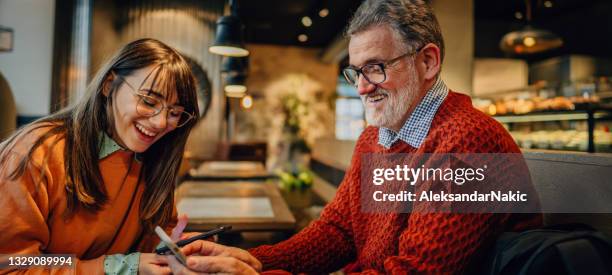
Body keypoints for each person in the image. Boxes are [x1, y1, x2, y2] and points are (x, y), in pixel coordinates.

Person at [165, 0, 543, 274]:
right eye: (356, 72)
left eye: (376, 68)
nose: (362, 88)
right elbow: (337, 231)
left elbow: (411, 272)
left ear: (427, 61)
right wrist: (256, 260)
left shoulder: (469, 141)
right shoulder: (374, 138)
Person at [0, 38, 246, 275]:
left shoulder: (153, 156)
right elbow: (13, 263)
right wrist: (113, 267)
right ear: (109, 85)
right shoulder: (35, 154)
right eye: (149, 101)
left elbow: (151, 242)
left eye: (175, 112)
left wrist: (180, 248)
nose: (161, 123)